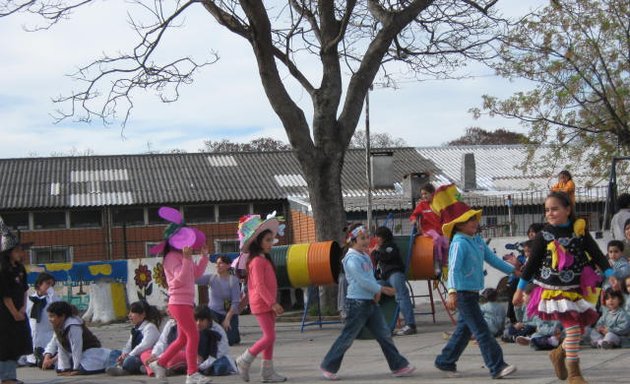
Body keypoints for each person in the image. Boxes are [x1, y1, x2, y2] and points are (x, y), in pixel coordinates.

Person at [513, 191, 613, 384]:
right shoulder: (543, 235)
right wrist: (519, 290)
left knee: (579, 329)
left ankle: (558, 353)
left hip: (575, 288)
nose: (550, 213)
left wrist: (611, 274)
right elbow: (531, 265)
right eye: (547, 210)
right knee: (574, 329)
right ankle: (574, 374)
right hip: (553, 291)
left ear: (568, 209)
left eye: (555, 209)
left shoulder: (579, 231)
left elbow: (596, 254)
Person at [432, 184, 518, 379]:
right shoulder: (459, 243)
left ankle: (445, 361)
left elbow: (493, 260)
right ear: (458, 224)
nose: (474, 222)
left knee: (464, 331)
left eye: (474, 218)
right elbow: (452, 269)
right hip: (462, 293)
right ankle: (496, 366)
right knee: (481, 330)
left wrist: (514, 271)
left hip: (472, 291)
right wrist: (451, 291)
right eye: (469, 219)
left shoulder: (477, 240)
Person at [320, 223, 415, 381]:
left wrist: (375, 293)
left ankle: (399, 366)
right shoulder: (350, 259)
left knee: (384, 334)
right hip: (357, 304)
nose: (366, 241)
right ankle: (328, 366)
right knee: (348, 337)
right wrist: (382, 289)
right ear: (352, 240)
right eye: (362, 238)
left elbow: (370, 278)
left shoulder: (364, 256)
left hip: (370, 303)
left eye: (367, 237)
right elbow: (362, 281)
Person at [148, 206, 211, 384]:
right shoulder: (171, 258)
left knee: (183, 338)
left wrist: (204, 257)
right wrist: (186, 258)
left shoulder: (183, 256)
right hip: (178, 302)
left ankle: (160, 363)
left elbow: (195, 274)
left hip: (186, 302)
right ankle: (192, 374)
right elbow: (179, 280)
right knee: (193, 336)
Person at [235, 213, 287, 383]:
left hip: (267, 303)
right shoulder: (256, 261)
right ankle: (244, 360)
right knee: (269, 337)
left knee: (270, 338)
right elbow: (259, 286)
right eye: (267, 240)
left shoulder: (263, 259)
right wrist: (272, 303)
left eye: (272, 240)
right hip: (262, 303)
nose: (271, 243)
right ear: (258, 242)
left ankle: (268, 372)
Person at [0, 217, 33, 384]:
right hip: (5, 314)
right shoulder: (3, 271)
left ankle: (9, 375)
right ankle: (6, 377)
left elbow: (25, 290)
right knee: (6, 344)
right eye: (17, 250)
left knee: (17, 343)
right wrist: (13, 312)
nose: (21, 253)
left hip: (18, 312)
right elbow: (5, 294)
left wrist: (22, 309)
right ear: (9, 252)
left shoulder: (20, 269)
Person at [42, 301, 115, 375]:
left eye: (52, 316)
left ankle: (113, 356)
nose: (49, 319)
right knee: (59, 368)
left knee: (82, 368)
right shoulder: (58, 326)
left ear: (62, 316)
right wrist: (64, 368)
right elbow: (61, 347)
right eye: (49, 316)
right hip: (78, 355)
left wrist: (75, 369)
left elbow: (76, 348)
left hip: (90, 352)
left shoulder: (73, 325)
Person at [371, 226, 416, 336]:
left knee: (401, 296)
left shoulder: (390, 246)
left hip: (394, 274)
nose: (376, 239)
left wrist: (375, 251)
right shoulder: (380, 248)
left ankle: (410, 324)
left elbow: (385, 257)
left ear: (382, 237)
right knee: (372, 289)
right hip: (384, 278)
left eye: (377, 237)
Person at [106, 301, 162, 376]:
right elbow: (129, 345)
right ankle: (117, 367)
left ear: (143, 315)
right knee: (114, 353)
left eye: (132, 313)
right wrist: (123, 355)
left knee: (130, 361)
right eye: (129, 313)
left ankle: (127, 368)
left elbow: (144, 346)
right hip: (133, 354)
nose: (129, 315)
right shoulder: (135, 328)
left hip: (144, 357)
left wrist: (129, 355)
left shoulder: (150, 327)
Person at [196, 255, 241, 345]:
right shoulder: (211, 278)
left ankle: (234, 334)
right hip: (214, 312)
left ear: (228, 265)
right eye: (217, 263)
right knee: (214, 339)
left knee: (230, 341)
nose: (217, 265)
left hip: (229, 313)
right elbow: (194, 279)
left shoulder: (234, 280)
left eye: (220, 263)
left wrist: (227, 318)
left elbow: (236, 302)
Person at [409, 183, 449, 275]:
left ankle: (444, 263)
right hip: (428, 230)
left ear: (433, 193)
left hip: (439, 230)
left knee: (445, 242)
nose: (424, 196)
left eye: (426, 193)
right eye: (422, 194)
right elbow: (413, 215)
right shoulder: (422, 205)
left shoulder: (437, 204)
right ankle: (436, 263)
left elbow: (445, 215)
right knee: (437, 239)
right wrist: (414, 220)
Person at [23, 272, 60, 368]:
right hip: (32, 337)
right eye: (47, 283)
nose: (49, 286)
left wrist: (52, 297)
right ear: (39, 284)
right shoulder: (30, 300)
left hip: (48, 337)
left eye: (51, 284)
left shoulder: (54, 300)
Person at [195, 306, 237, 376]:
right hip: (202, 359)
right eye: (196, 320)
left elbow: (218, 354)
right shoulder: (195, 329)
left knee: (220, 367)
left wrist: (201, 366)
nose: (198, 323)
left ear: (208, 320)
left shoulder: (217, 331)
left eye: (202, 320)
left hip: (218, 358)